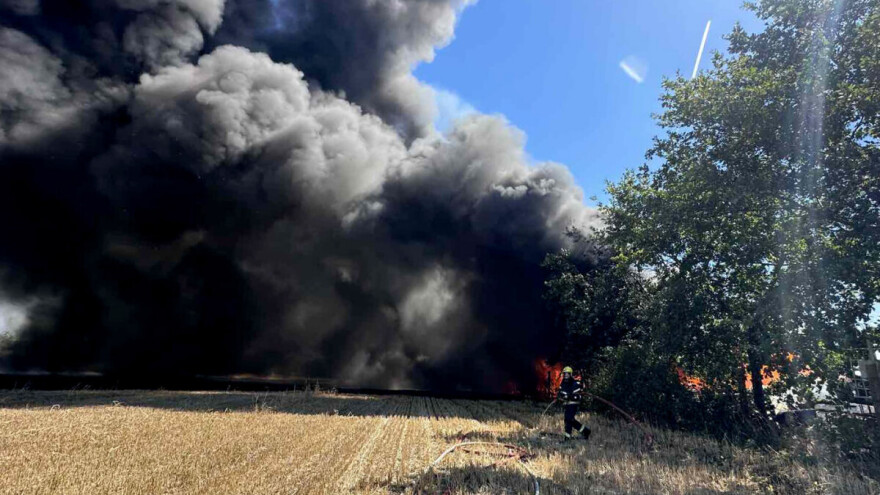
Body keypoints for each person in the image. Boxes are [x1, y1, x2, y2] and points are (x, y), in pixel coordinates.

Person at [557, 366, 591, 440]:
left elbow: (577, 396)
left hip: (573, 404)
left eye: (567, 374)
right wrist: (560, 397)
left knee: (569, 419)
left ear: (570, 374)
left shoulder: (575, 383)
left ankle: (567, 438)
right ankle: (585, 431)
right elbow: (560, 394)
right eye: (564, 374)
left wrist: (568, 397)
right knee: (568, 420)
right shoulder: (562, 384)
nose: (566, 375)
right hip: (567, 405)